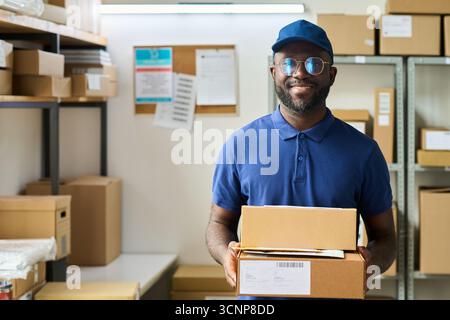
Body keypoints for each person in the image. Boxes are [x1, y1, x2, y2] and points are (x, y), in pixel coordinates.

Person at [206, 19, 396, 299]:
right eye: (287, 63)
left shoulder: (364, 152)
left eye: (313, 64)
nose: (299, 72)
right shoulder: (241, 144)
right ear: (273, 72)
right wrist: (226, 254)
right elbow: (218, 224)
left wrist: (369, 265)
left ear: (331, 75)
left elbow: (386, 237)